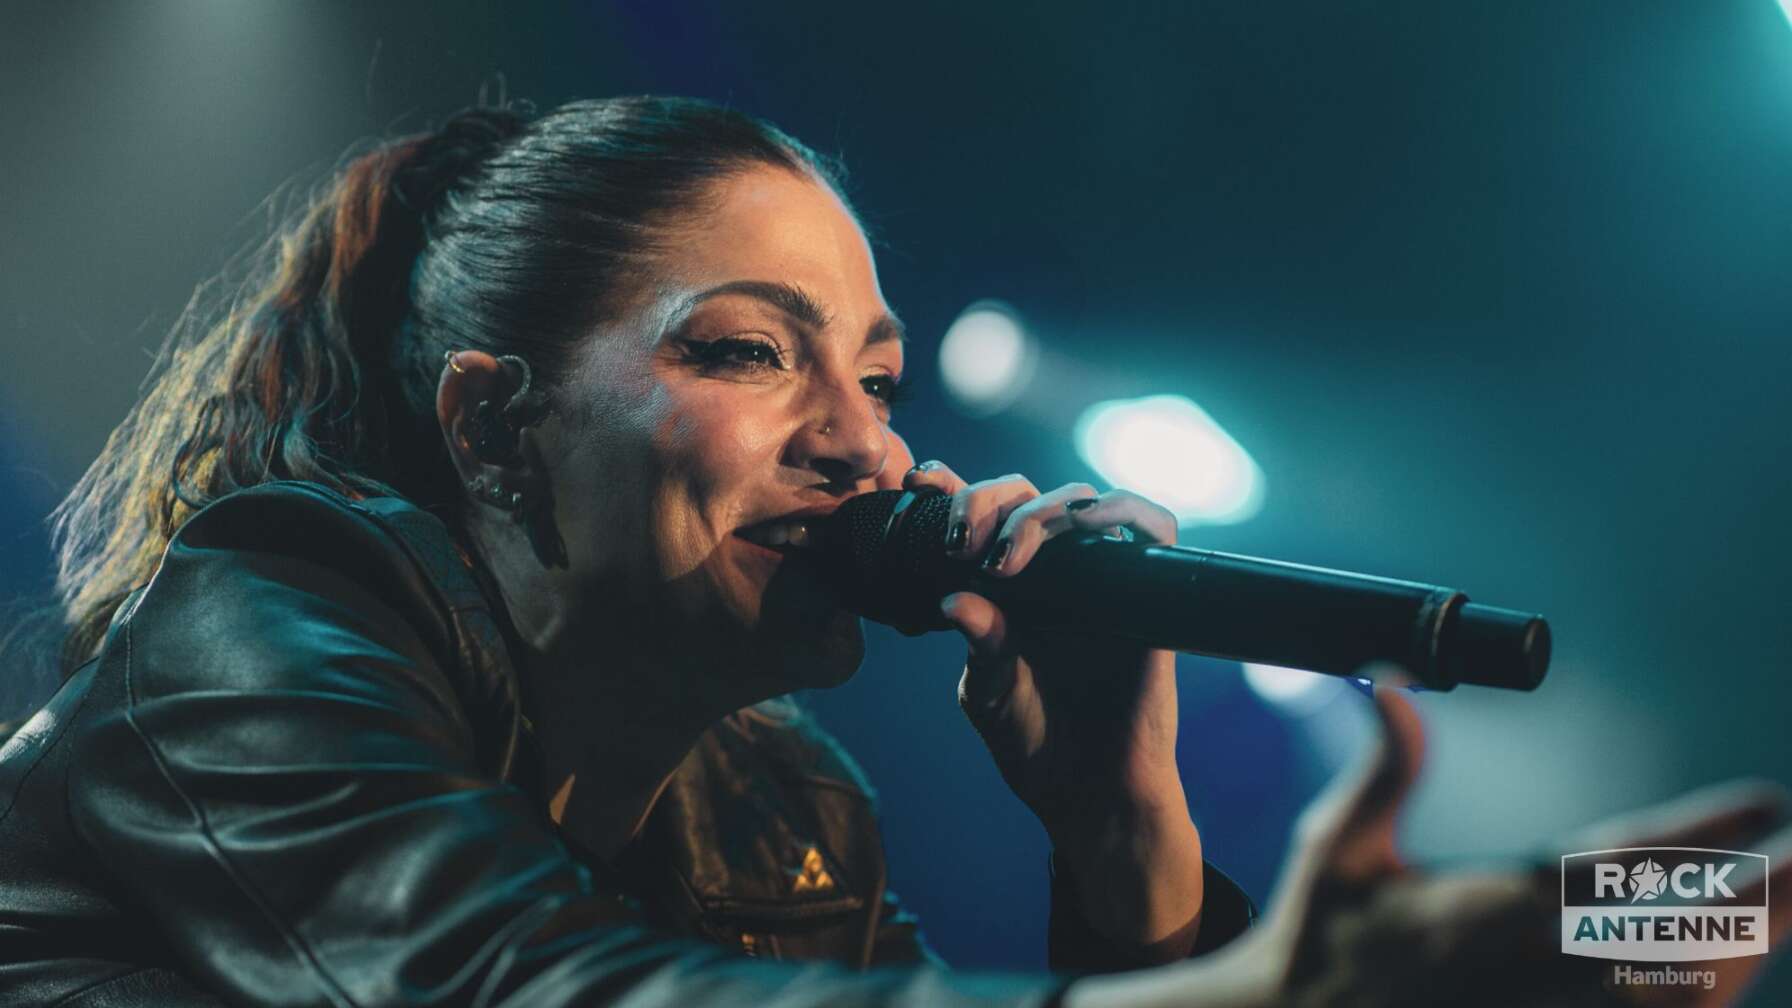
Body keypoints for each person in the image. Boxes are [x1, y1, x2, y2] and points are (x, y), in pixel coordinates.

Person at [0, 96, 1784, 1008]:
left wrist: (1124, 834)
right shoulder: (261, 619)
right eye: (748, 351)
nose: (869, 445)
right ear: (491, 425)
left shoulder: (786, 825)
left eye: (875, 374)